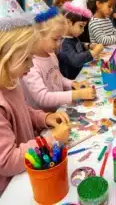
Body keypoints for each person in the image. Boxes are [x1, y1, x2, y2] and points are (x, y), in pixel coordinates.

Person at [0, 15, 70, 194]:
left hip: (31, 168)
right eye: (26, 59)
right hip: (13, 188)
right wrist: (51, 139)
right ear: (5, 57)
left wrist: (44, 117)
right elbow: (7, 161)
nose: (31, 65)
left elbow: (24, 110)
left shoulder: (11, 82)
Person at [22, 9, 96, 112]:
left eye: (61, 39)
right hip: (45, 119)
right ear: (38, 36)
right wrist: (77, 94)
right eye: (56, 39)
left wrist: (72, 84)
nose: (59, 44)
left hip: (60, 109)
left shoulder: (51, 54)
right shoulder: (30, 66)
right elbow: (42, 98)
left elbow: (57, 78)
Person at [58, 0, 104, 79]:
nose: (82, 30)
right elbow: (75, 60)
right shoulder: (63, 43)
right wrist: (93, 52)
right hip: (72, 80)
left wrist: (88, 45)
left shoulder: (72, 37)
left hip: (80, 74)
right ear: (69, 22)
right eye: (81, 26)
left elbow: (77, 45)